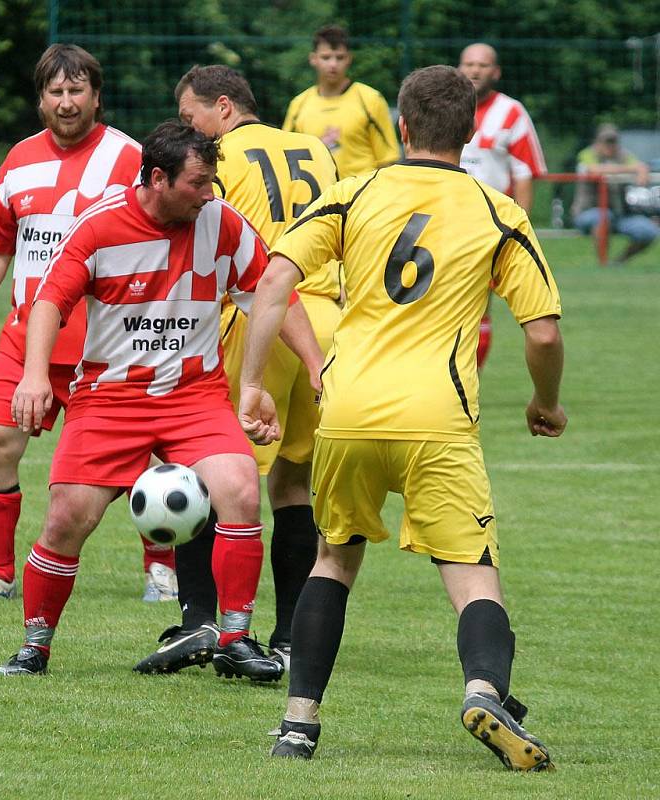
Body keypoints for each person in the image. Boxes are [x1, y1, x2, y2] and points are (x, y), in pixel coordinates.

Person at [239, 65, 566, 771]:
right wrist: (546, 403)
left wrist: (252, 386)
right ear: (473, 132)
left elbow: (273, 280)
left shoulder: (353, 192)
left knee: (334, 560)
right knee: (473, 573)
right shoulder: (496, 210)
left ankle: (299, 724)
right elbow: (541, 333)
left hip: (348, 408)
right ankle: (485, 690)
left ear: (403, 125)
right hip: (436, 417)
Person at [0, 120, 324, 679]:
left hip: (195, 396)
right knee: (68, 519)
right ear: (157, 178)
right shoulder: (99, 226)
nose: (209, 193)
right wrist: (31, 377)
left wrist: (318, 367)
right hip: (109, 398)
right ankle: (35, 645)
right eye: (198, 182)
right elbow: (49, 302)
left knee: (241, 491)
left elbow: (273, 296)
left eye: (212, 181)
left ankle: (235, 638)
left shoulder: (221, 223)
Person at [0, 44, 177, 604]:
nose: (67, 103)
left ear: (97, 97)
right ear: (41, 99)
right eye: (56, 92)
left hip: (107, 342)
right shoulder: (20, 158)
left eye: (77, 91)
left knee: (146, 457)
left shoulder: (130, 159)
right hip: (27, 336)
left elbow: (162, 237)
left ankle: (162, 570)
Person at [133, 65, 339, 675]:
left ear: (223, 108)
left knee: (209, 471)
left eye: (191, 116)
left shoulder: (222, 158)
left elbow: (205, 236)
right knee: (293, 485)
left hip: (258, 321)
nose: (186, 130)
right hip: (325, 320)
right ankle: (292, 634)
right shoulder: (311, 149)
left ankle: (201, 619)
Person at [458, 42, 547, 369]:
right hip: (444, 222)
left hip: (489, 227)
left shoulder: (511, 112)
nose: (475, 70)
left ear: (495, 72)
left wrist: (518, 229)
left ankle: (471, 378)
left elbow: (524, 174)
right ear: (459, 68)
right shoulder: (447, 106)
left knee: (480, 307)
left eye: (482, 65)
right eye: (469, 64)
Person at [283, 25, 400, 179]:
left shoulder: (370, 99)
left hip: (360, 198)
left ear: (349, 59)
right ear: (313, 59)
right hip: (317, 199)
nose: (333, 64)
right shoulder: (299, 104)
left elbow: (388, 160)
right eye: (326, 57)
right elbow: (285, 159)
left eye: (339, 57)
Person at [572, 122, 659, 264]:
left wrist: (642, 169)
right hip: (587, 213)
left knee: (649, 231)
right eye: (607, 141)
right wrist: (632, 169)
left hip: (619, 215)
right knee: (603, 217)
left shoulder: (624, 155)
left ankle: (618, 262)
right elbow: (594, 169)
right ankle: (603, 264)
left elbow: (640, 166)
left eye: (613, 141)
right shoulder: (587, 154)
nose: (610, 145)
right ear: (597, 142)